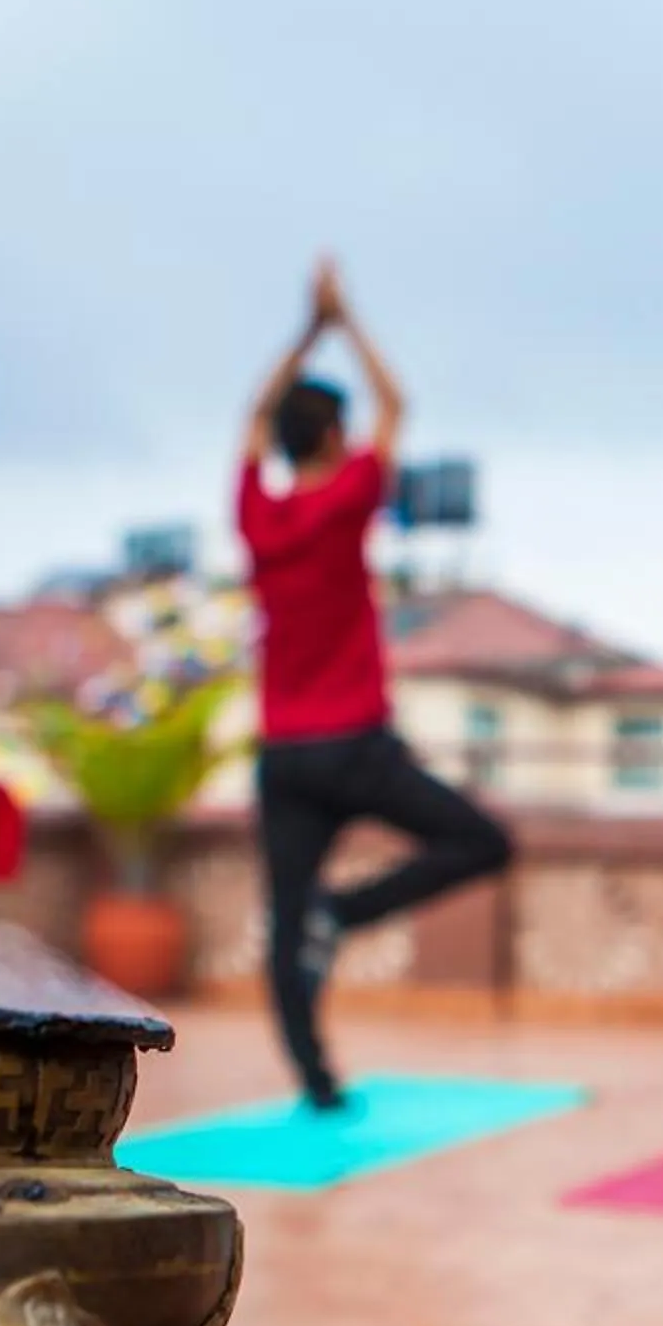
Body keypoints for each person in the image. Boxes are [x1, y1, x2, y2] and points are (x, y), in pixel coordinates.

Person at [236, 257, 512, 1111]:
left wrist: (304, 332)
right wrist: (344, 321)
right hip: (355, 747)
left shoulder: (258, 512)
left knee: (287, 921)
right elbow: (396, 406)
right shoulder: (347, 495)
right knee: (484, 843)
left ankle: (316, 1079)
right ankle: (347, 915)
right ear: (331, 440)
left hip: (285, 755)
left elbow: (254, 416)